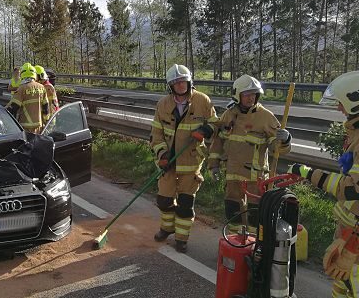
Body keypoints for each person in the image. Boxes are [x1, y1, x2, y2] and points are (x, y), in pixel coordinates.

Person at [287, 71, 359, 297]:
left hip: (355, 240)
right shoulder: (355, 132)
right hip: (349, 233)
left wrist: (308, 173)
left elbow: (349, 189)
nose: (339, 108)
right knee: (341, 287)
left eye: (341, 103)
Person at [208, 74, 292, 236]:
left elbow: (278, 149)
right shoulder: (229, 115)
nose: (251, 98)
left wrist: (286, 139)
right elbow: (218, 142)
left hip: (256, 177)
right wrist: (214, 165)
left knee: (255, 215)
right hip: (232, 173)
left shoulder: (265, 117)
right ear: (237, 95)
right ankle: (234, 242)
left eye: (254, 94)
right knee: (233, 210)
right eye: (247, 94)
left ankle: (254, 247)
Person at [150, 64, 218, 253]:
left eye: (183, 81)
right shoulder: (162, 105)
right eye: (176, 82)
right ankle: (167, 228)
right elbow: (156, 134)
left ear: (189, 82)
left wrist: (204, 130)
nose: (180, 85)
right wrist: (162, 155)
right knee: (164, 200)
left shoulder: (202, 101)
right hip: (168, 164)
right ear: (170, 86)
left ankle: (181, 239)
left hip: (191, 162)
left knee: (185, 204)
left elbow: (215, 123)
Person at [7, 64, 49, 134]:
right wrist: (46, 122)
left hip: (25, 126)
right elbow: (46, 107)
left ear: (22, 75)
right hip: (39, 125)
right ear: (34, 74)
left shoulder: (21, 88)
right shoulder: (42, 87)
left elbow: (14, 107)